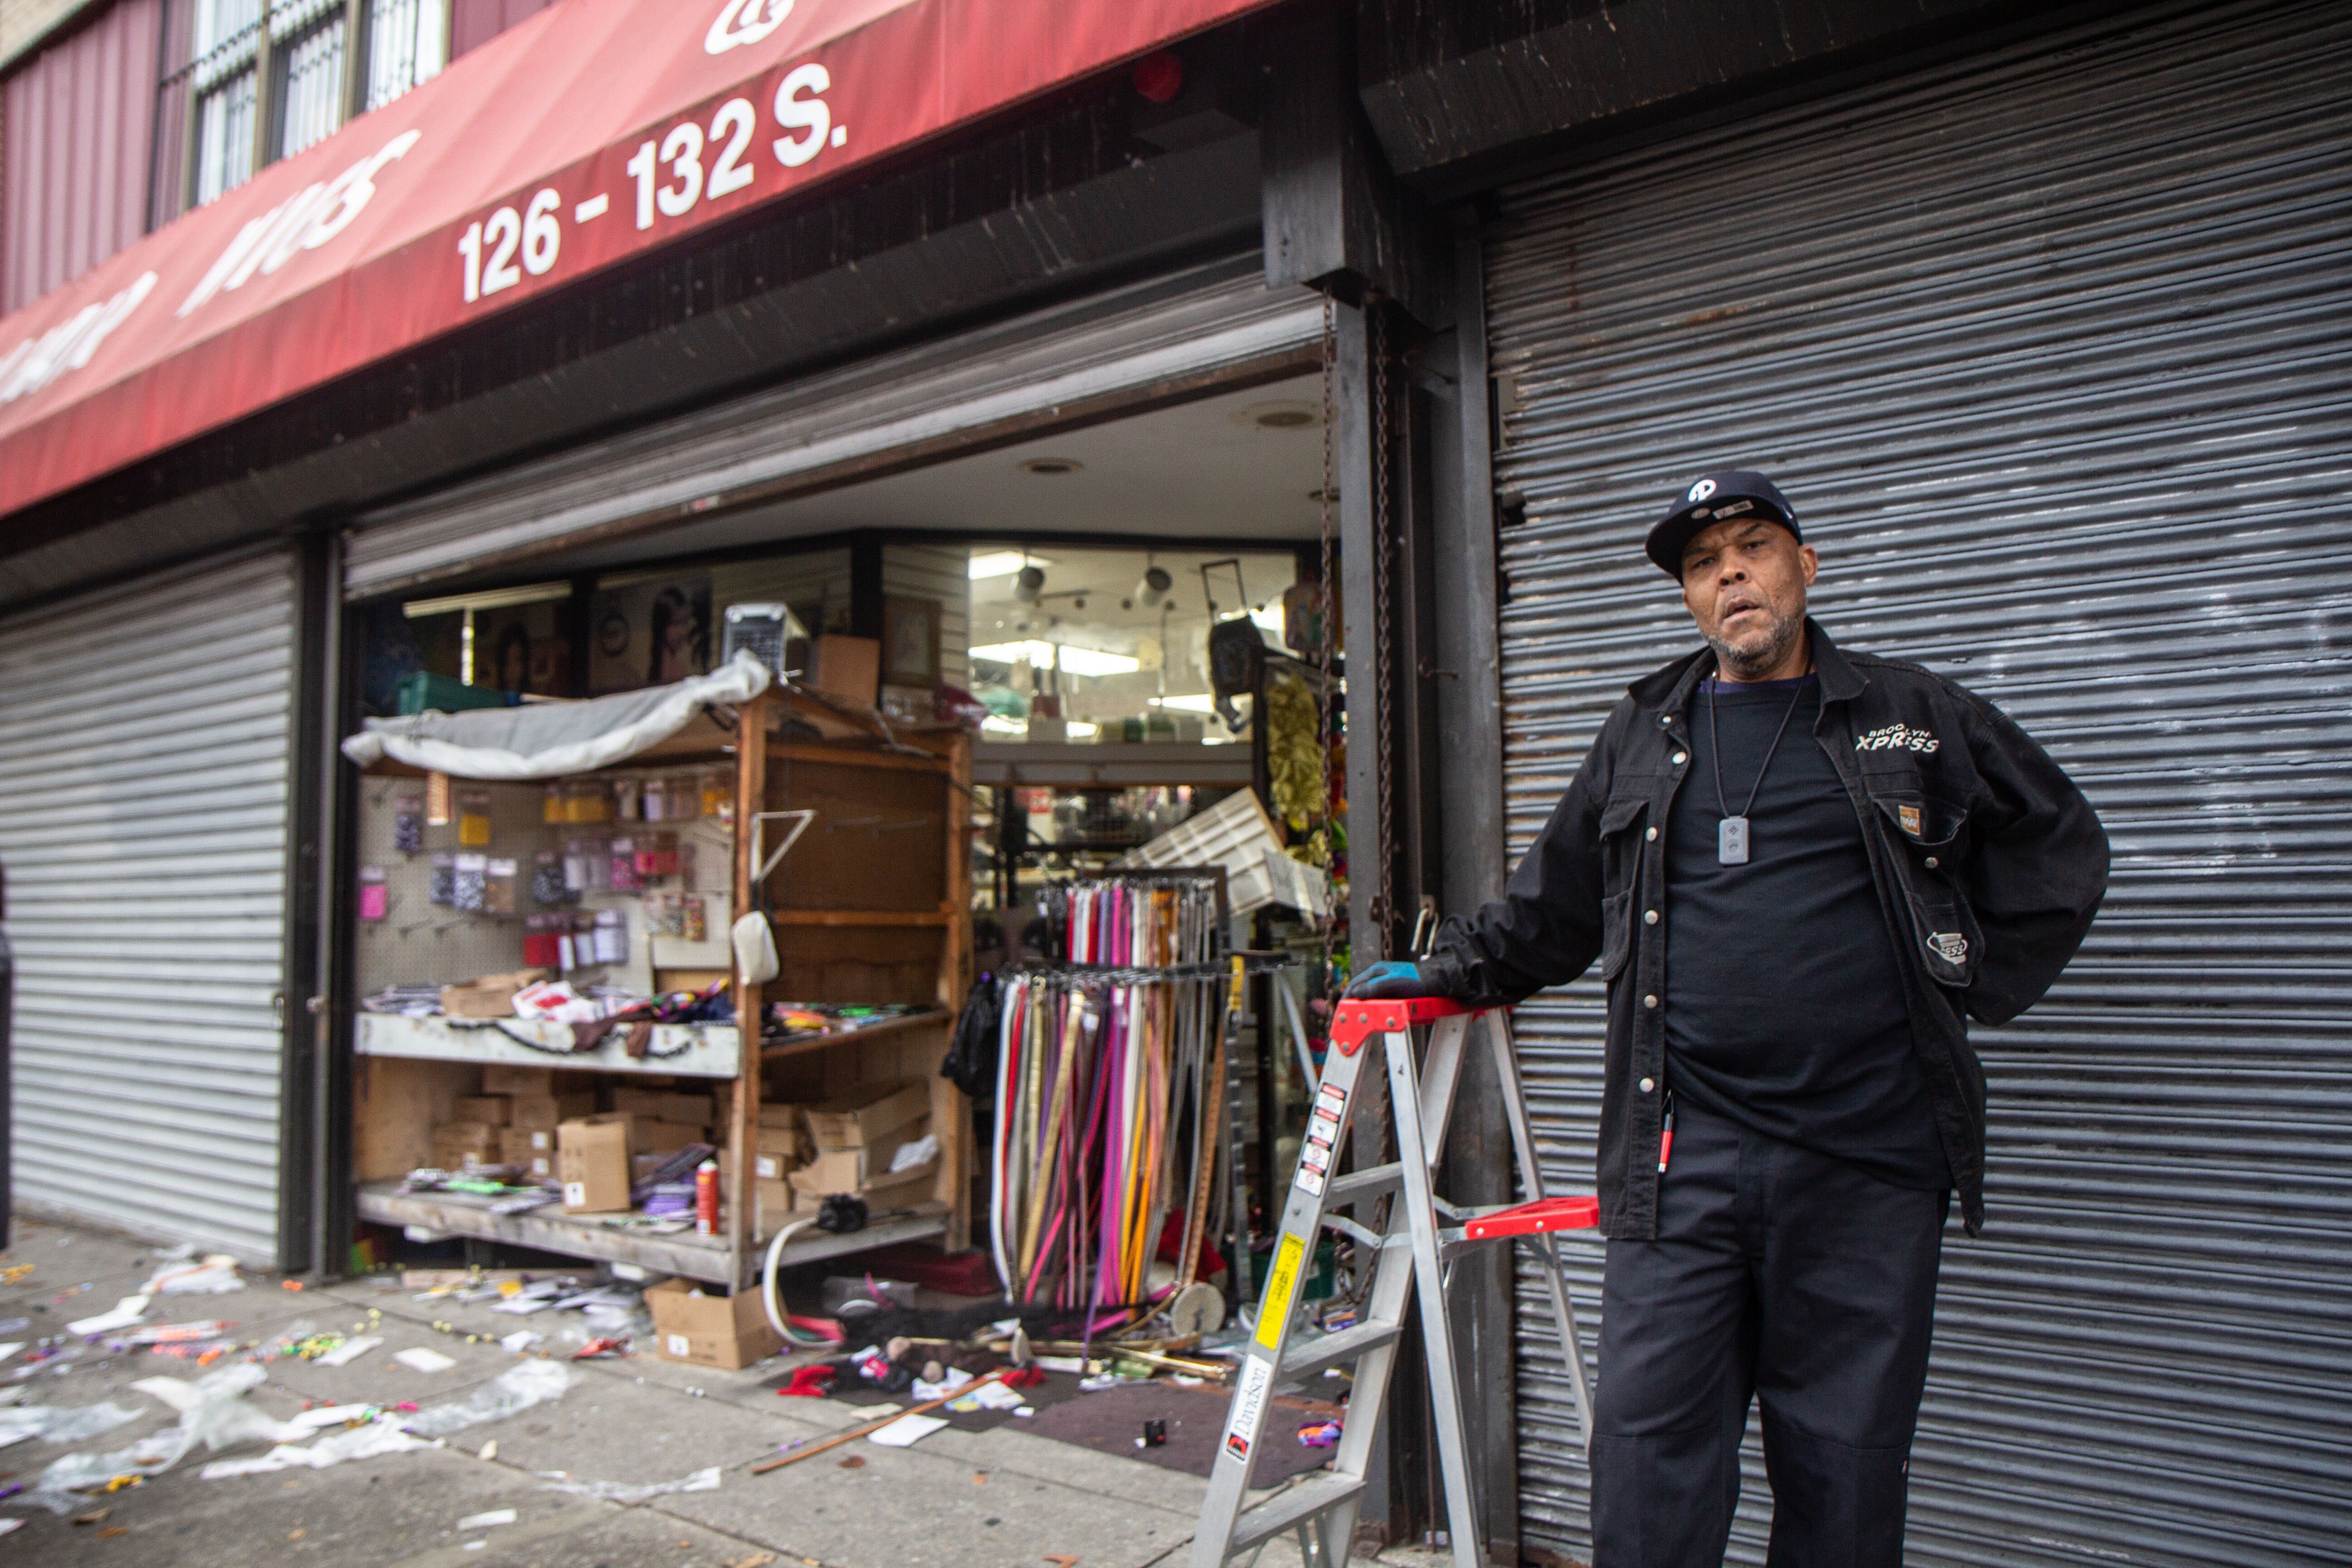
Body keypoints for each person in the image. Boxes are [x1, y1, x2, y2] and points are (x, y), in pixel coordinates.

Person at [1347, 470, 2108, 1567]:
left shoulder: (1912, 715)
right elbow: (1552, 910)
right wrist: (1446, 971)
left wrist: (1970, 977)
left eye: (1753, 549)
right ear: (1693, 600)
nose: (1730, 575)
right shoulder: (1645, 731)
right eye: (1705, 566)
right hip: (1680, 1162)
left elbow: (2063, 847)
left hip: (1870, 1163)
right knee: (1649, 1464)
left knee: (1844, 1473)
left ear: (1807, 566)